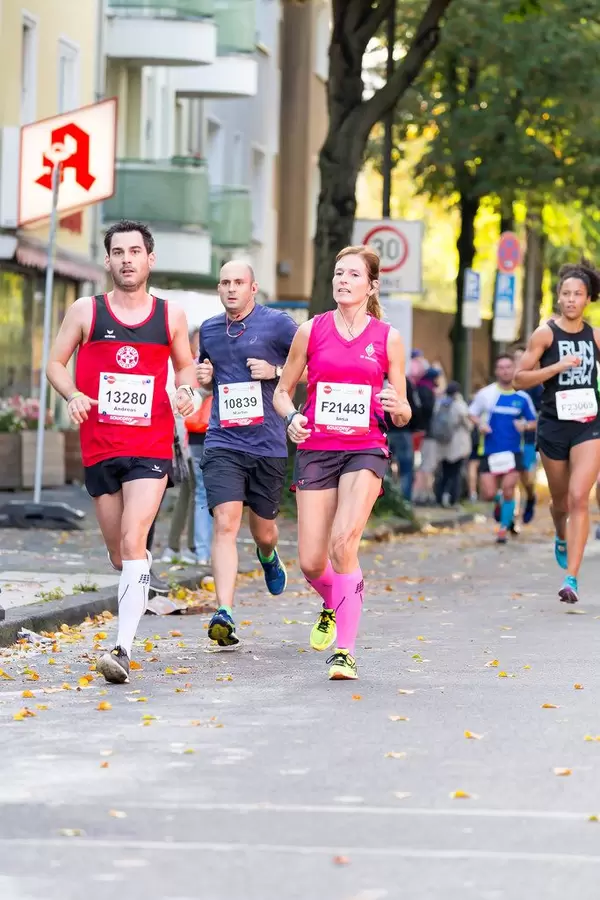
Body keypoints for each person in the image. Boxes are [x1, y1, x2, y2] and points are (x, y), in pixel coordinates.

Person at [47, 219, 198, 684]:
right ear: (108, 259)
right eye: (119, 252)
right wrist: (72, 393)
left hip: (150, 445)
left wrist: (187, 391)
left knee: (135, 542)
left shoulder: (168, 315)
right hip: (99, 446)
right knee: (120, 556)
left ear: (150, 260)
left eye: (135, 251)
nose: (127, 259)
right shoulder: (86, 311)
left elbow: (185, 366)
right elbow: (54, 362)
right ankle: (137, 574)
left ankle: (122, 648)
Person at [274, 244, 411, 681]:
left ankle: (344, 653)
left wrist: (397, 405)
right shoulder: (310, 331)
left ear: (371, 285)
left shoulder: (387, 338)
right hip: (317, 448)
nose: (342, 280)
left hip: (365, 447)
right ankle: (336, 600)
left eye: (353, 274)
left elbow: (404, 409)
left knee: (343, 543)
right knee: (313, 563)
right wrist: (293, 416)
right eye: (338, 273)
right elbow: (281, 392)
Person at [196, 260, 297, 646]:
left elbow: (308, 366)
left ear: (254, 288)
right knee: (225, 522)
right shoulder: (208, 329)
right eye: (224, 282)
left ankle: (268, 556)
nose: (231, 289)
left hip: (268, 444)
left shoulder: (278, 324)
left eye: (239, 282)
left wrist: (274, 371)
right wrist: (204, 381)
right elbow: (207, 376)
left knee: (264, 531)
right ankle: (224, 612)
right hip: (224, 440)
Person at [514, 259, 600, 604]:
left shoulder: (595, 336)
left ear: (588, 299)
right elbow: (520, 378)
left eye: (577, 294)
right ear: (559, 298)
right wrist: (556, 367)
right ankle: (560, 534)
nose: (570, 299)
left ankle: (572, 578)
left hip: (589, 425)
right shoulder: (546, 333)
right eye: (565, 293)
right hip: (553, 424)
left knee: (580, 498)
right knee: (561, 501)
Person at [469, 355, 537, 544]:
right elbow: (472, 413)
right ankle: (502, 506)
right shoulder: (487, 394)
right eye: (501, 367)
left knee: (508, 489)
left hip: (513, 451)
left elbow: (534, 421)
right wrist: (480, 424)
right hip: (490, 450)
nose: (505, 371)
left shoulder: (522, 397)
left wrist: (525, 426)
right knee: (489, 493)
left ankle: (503, 529)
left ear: (514, 369)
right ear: (496, 371)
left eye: (508, 367)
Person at [512, 346, 542, 525]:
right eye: (515, 358)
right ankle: (511, 516)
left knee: (527, 478)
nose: (518, 362)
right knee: (511, 477)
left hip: (529, 439)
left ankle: (531, 497)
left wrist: (528, 424)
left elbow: (543, 412)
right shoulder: (503, 386)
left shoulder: (536, 387)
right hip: (507, 439)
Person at [432, 381, 472, 507]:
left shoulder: (440, 403)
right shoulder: (459, 405)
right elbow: (468, 424)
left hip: (442, 445)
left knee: (443, 473)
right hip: (457, 446)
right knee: (455, 474)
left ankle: (439, 498)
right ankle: (454, 500)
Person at [412, 366, 442, 505]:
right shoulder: (427, 391)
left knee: (422, 464)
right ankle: (424, 495)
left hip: (419, 432)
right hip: (427, 433)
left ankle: (422, 494)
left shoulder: (419, 388)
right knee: (426, 466)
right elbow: (429, 411)